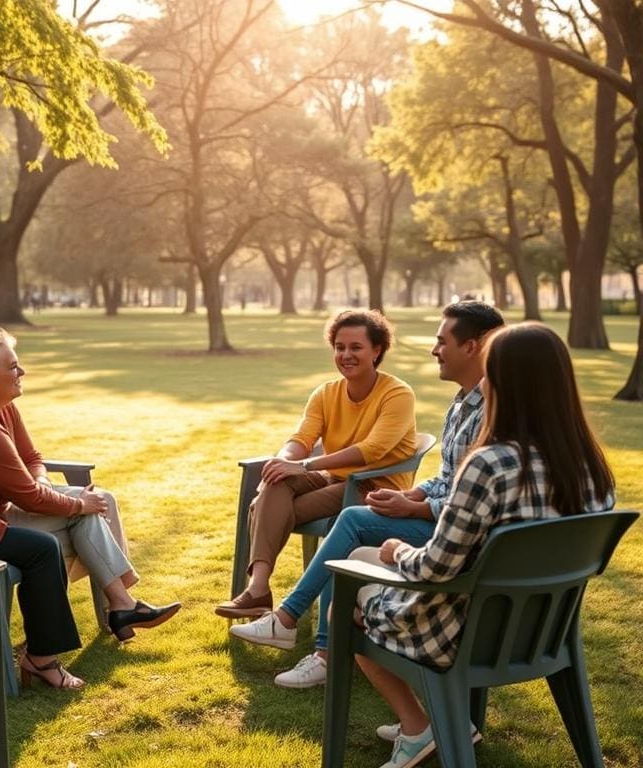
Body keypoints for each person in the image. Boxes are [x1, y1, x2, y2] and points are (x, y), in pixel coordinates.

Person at [354, 322, 614, 768]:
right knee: (363, 559)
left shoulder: (489, 465)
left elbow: (434, 568)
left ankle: (418, 727)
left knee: (349, 597)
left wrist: (396, 550)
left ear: (503, 382)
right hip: (544, 633)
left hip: (464, 632)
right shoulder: (592, 468)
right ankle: (441, 723)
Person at [230, 301, 505, 691]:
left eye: (441, 341)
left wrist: (417, 504)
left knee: (348, 522)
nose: (433, 350)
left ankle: (301, 633)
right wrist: (416, 494)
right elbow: (448, 478)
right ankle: (270, 602)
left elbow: (471, 501)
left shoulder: (483, 410)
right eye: (339, 346)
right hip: (380, 495)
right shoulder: (461, 404)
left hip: (386, 497)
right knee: (274, 487)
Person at [0, 328, 180, 651]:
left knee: (100, 502)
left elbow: (32, 458)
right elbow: (30, 498)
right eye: (12, 366)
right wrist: (78, 504)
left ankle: (119, 605)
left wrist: (43, 479)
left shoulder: (2, 408)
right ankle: (120, 607)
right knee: (86, 515)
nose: (21, 371)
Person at [215, 309, 418, 619]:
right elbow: (302, 438)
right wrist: (282, 461)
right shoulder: (326, 393)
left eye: (356, 347)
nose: (345, 354)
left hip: (373, 489)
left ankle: (258, 593)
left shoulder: (398, 394)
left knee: (263, 507)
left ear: (377, 351)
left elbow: (372, 450)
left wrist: (306, 466)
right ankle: (259, 588)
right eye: (339, 347)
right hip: (333, 479)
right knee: (275, 480)